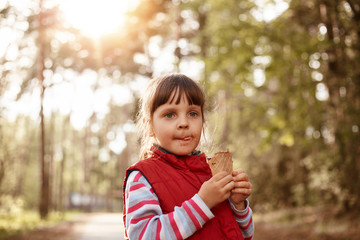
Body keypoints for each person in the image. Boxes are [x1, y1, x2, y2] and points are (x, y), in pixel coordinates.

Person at [122, 73, 254, 240]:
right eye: (170, 114)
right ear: (149, 126)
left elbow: (244, 235)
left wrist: (238, 205)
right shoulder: (142, 177)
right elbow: (143, 236)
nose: (184, 123)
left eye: (192, 113)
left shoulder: (212, 171)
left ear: (203, 121)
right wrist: (203, 203)